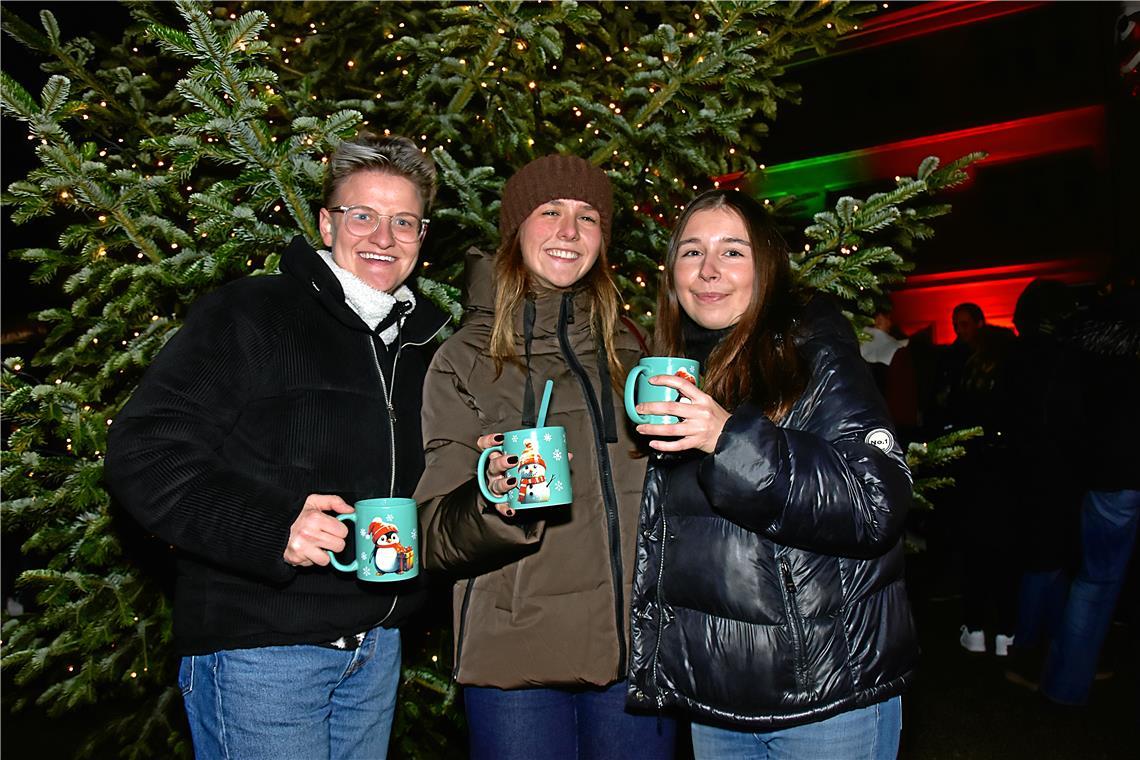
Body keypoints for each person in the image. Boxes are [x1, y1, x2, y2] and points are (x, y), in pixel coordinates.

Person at [104, 133, 450, 760]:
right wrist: (270, 527)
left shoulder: (424, 346)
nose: (383, 237)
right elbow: (144, 450)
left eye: (404, 221)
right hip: (261, 649)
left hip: (376, 650)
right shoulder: (252, 313)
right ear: (326, 222)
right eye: (362, 215)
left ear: (422, 237)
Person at [626, 189, 917, 759]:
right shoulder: (678, 364)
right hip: (716, 699)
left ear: (767, 267)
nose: (708, 270)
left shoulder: (811, 348)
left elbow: (875, 503)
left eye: (732, 252)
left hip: (824, 696)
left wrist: (727, 439)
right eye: (691, 252)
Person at [414, 155, 674, 760]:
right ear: (515, 231)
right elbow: (429, 533)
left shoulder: (637, 350)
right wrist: (490, 497)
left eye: (588, 218)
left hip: (634, 652)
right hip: (514, 659)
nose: (569, 231)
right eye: (550, 212)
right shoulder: (465, 359)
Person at [930, 301, 1018, 656]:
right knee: (1003, 556)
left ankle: (977, 627)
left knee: (977, 553)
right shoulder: (1006, 380)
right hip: (1002, 477)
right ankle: (1005, 632)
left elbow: (945, 414)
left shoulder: (963, 377)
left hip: (972, 474)